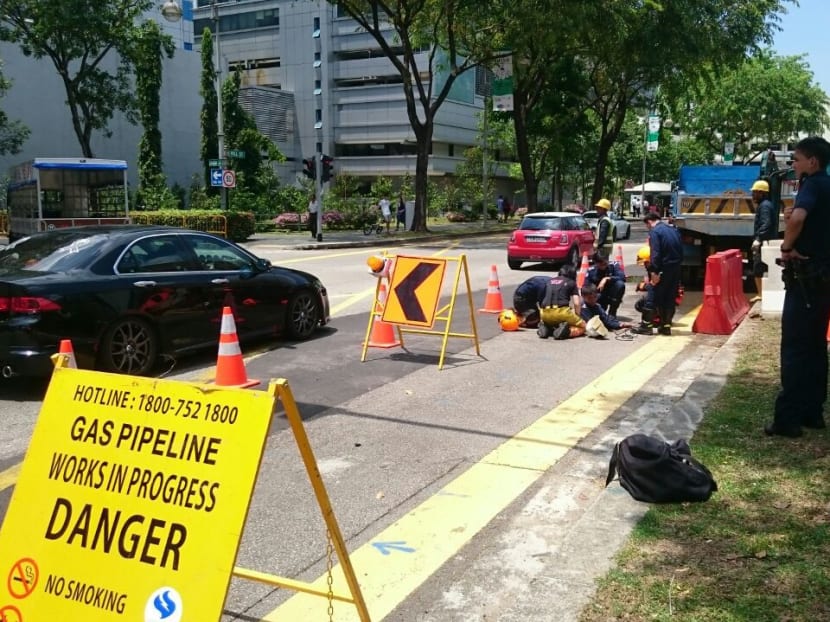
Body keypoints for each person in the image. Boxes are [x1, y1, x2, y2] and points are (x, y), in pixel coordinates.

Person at [766, 136, 830, 438]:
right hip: (824, 278)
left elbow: (799, 218)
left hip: (806, 279)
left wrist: (786, 247)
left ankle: (787, 419)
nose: (793, 165)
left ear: (812, 162)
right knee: (816, 346)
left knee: (794, 348)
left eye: (796, 159)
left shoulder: (812, 184)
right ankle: (813, 412)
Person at [633, 212, 682, 335]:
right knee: (669, 298)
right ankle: (665, 327)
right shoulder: (673, 230)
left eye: (647, 226)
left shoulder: (655, 232)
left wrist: (654, 271)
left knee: (652, 296)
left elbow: (656, 253)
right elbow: (681, 250)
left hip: (662, 269)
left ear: (649, 222)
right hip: (675, 268)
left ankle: (646, 326)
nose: (648, 228)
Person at [537, 264, 586, 339]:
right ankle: (567, 333)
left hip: (544, 314)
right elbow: (576, 303)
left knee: (555, 322)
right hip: (562, 313)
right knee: (583, 327)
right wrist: (578, 316)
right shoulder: (571, 282)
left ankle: (547, 328)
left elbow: (541, 299)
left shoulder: (549, 281)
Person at [750, 179, 778, 302]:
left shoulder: (765, 206)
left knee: (758, 267)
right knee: (759, 267)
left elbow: (766, 224)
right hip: (765, 241)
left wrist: (758, 239)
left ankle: (761, 294)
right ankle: (761, 293)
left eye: (756, 192)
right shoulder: (765, 205)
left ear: (762, 193)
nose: (753, 195)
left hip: (764, 242)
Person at [585, 249, 626, 317]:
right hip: (599, 295)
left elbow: (622, 277)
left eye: (605, 264)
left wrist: (607, 279)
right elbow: (585, 287)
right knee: (599, 317)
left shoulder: (613, 265)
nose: (603, 266)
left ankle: (612, 313)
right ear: (595, 263)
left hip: (611, 293)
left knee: (620, 284)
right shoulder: (591, 271)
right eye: (600, 264)